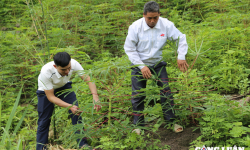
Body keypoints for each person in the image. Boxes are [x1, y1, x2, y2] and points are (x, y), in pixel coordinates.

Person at [124, 1, 189, 133]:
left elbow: (180, 38)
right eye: (149, 18)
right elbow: (129, 49)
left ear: (159, 14)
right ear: (144, 15)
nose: (153, 21)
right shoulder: (135, 27)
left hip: (158, 64)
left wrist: (181, 56)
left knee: (166, 92)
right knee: (138, 95)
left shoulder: (166, 25)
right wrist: (142, 66)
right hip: (139, 64)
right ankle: (138, 126)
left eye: (155, 17)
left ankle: (171, 122)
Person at [36, 52, 101, 150]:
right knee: (44, 120)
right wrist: (69, 106)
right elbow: (51, 97)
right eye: (63, 69)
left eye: (69, 68)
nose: (67, 72)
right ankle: (41, 148)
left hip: (64, 87)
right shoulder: (46, 72)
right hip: (45, 91)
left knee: (77, 113)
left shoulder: (74, 63)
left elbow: (88, 79)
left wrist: (95, 97)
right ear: (55, 66)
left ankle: (83, 144)